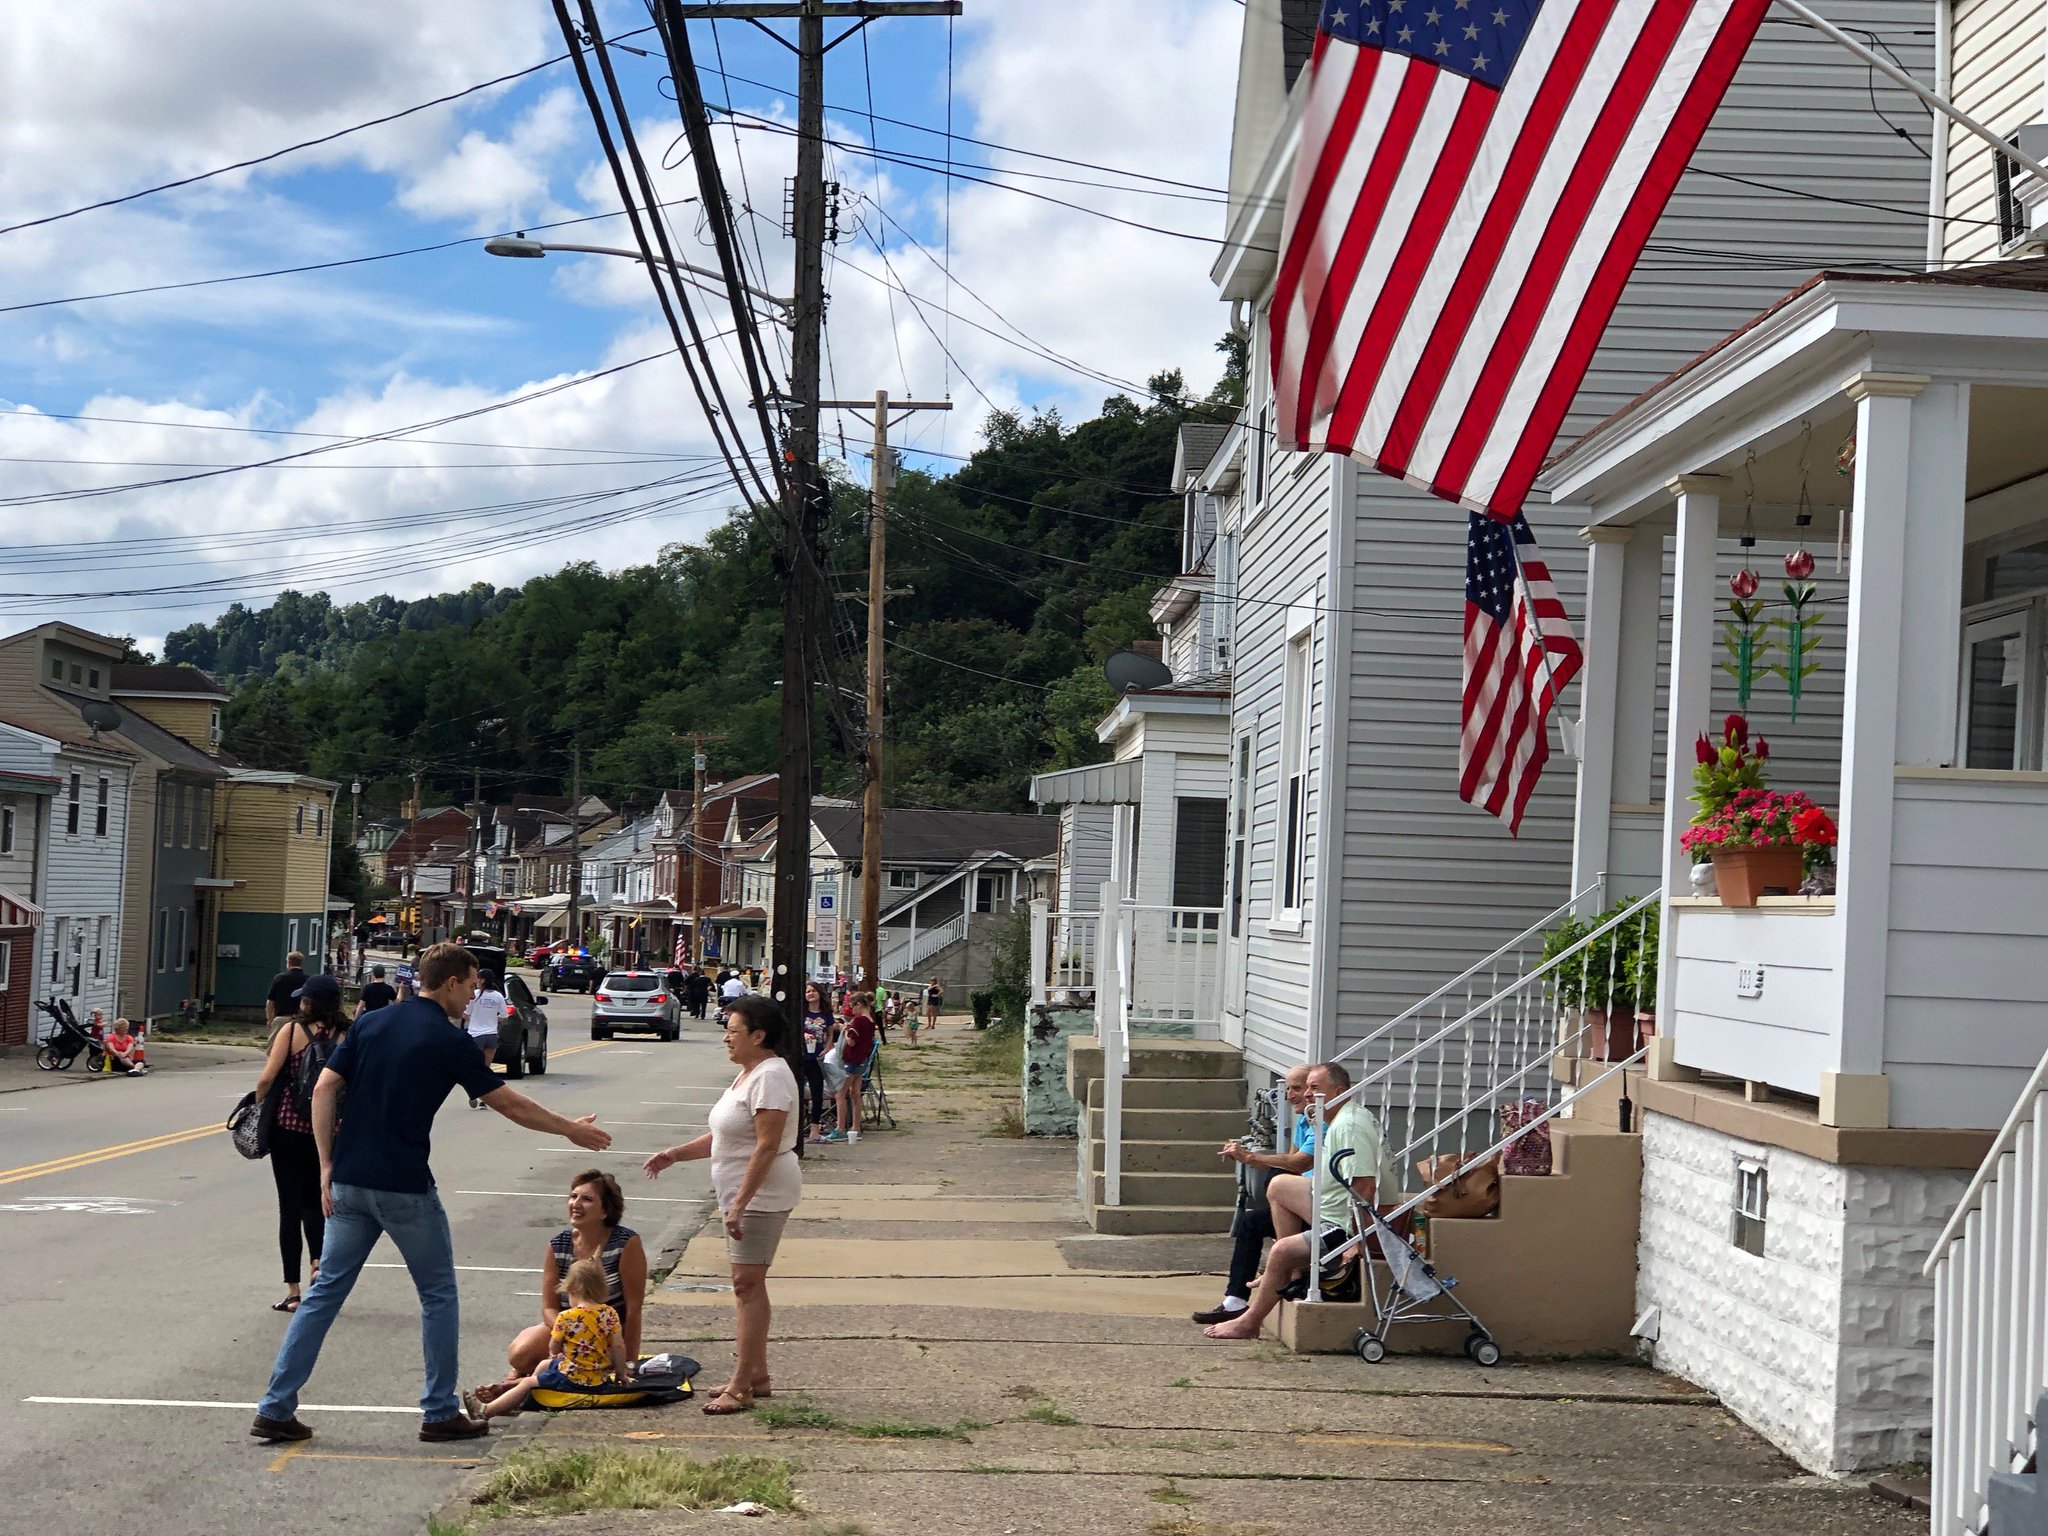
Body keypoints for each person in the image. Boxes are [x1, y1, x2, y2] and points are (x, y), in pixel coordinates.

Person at [249, 942, 613, 1446]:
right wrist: (567, 1129)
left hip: (350, 1182)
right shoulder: (448, 1039)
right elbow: (507, 1103)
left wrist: (327, 1164)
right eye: (469, 985)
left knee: (323, 1295)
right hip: (404, 1186)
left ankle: (275, 1406)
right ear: (449, 984)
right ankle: (439, 1411)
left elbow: (323, 1088)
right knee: (438, 1295)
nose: (473, 995)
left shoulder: (372, 1022)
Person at [642, 995, 800, 1415]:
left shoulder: (771, 1077)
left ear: (758, 1035)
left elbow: (766, 1146)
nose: (726, 1038)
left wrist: (740, 1204)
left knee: (747, 1285)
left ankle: (742, 1385)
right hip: (742, 1195)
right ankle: (757, 1375)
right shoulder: (749, 1075)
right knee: (746, 1283)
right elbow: (726, 1138)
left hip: (762, 1195)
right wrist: (675, 1153)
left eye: (733, 1031)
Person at [1203, 1062, 1397, 1342]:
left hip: (1344, 1223)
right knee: (1279, 1184)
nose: (1306, 1094)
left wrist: (1356, 1242)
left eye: (1313, 1088)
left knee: (1281, 1251)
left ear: (1339, 1091)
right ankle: (1293, 1273)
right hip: (1331, 1207)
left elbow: (1364, 1186)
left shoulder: (1348, 1127)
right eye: (1304, 1088)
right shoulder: (1339, 1119)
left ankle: (1249, 1321)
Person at [477, 1170, 647, 1407]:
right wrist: (570, 1332)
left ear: (606, 1210)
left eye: (587, 1199)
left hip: (606, 1330)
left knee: (575, 1365)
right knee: (519, 1354)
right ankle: (518, 1380)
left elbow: (634, 1307)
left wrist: (629, 1362)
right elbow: (548, 1306)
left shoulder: (626, 1243)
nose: (576, 1204)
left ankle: (511, 1386)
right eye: (573, 1196)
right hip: (567, 1323)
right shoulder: (559, 1244)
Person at [253, 976, 349, 1313]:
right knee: (317, 1202)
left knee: (289, 1209)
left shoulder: (291, 1032)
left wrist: (259, 1102)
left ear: (308, 1003)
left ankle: (293, 1292)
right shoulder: (346, 1035)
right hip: (329, 1129)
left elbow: (267, 1077)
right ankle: (319, 1265)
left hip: (289, 1128)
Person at [1192, 1065, 1314, 1327]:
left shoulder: (1323, 1121)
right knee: (1252, 1221)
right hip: (1302, 1202)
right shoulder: (1305, 1119)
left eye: (1298, 1088)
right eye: (1289, 1088)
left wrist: (1249, 1157)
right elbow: (1290, 1162)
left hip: (1320, 1208)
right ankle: (1235, 1300)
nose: (1291, 1094)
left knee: (1276, 1183)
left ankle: (1293, 1272)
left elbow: (1299, 1164)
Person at [470, 1257, 633, 1420]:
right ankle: (521, 1399)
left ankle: (486, 1411)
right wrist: (620, 1374)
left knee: (528, 1382)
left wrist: (556, 1351)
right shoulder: (610, 1314)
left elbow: (554, 1346)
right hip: (599, 1379)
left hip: (573, 1378)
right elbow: (618, 1347)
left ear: (571, 1289)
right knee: (544, 1365)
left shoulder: (565, 1317)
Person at [828, 993, 877, 1145]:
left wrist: (845, 1030)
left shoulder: (858, 1020)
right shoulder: (870, 1021)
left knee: (840, 1093)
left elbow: (851, 1042)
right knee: (855, 1093)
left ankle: (840, 1127)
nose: (851, 1010)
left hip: (852, 1060)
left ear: (859, 1005)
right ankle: (856, 1127)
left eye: (852, 1007)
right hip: (862, 1060)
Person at [464, 970, 508, 1108]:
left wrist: (475, 1018)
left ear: (482, 980)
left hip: (475, 1035)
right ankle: (485, 1100)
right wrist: (492, 1017)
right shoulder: (498, 996)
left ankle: (473, 1094)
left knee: (473, 1068)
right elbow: (504, 1017)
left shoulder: (475, 995)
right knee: (486, 1068)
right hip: (491, 1035)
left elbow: (465, 1014)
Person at [799, 982, 833, 1129]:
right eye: (807, 992)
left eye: (813, 991)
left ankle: (815, 1128)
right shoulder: (802, 1012)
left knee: (817, 1091)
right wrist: (804, 1034)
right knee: (796, 1091)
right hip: (801, 1056)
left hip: (817, 1057)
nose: (810, 994)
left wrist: (827, 1048)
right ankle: (798, 1125)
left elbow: (830, 1033)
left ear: (819, 993)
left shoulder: (826, 1013)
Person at [266, 950, 309, 1027]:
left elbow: (271, 1001)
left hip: (282, 1018)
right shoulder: (308, 980)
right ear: (301, 963)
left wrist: (270, 1019)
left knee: (277, 1038)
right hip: (301, 1020)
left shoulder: (279, 978)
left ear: (288, 963)